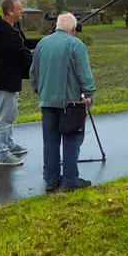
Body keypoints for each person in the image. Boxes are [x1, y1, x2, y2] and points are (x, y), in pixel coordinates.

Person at [30, 13, 96, 193]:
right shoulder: (76, 44)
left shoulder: (42, 43)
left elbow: (33, 72)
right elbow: (84, 73)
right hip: (70, 103)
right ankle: (69, 181)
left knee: (50, 141)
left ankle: (51, 180)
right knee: (72, 140)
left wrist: (39, 90)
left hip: (46, 100)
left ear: (57, 26)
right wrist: (89, 93)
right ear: (73, 28)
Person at [0, 0, 41, 166]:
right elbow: (21, 55)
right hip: (1, 82)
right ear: (10, 12)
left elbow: (24, 43)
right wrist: (40, 59)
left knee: (10, 114)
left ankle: (8, 144)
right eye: (19, 8)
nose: (22, 11)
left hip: (7, 80)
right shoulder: (3, 33)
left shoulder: (11, 28)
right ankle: (1, 154)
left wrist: (44, 42)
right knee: (4, 119)